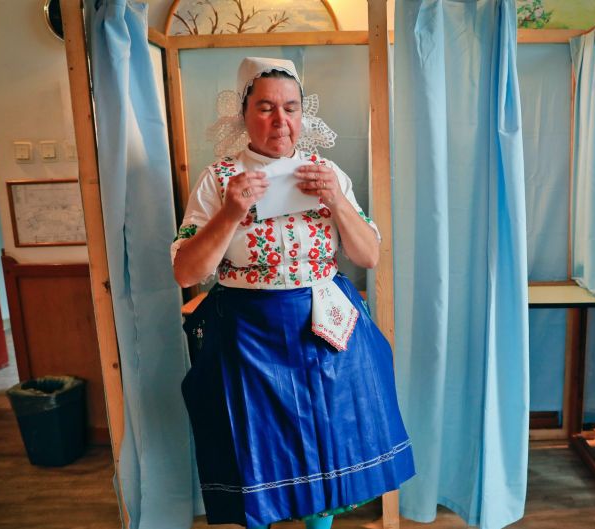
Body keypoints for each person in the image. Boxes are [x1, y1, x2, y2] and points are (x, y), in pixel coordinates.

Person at [172, 57, 415, 529]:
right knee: (255, 447)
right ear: (242, 114)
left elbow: (368, 256)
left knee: (325, 442)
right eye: (265, 107)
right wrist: (230, 212)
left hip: (324, 330)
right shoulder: (219, 179)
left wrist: (338, 201)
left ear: (304, 115)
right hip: (247, 332)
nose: (280, 120)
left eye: (290, 107)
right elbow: (187, 272)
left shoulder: (328, 172)